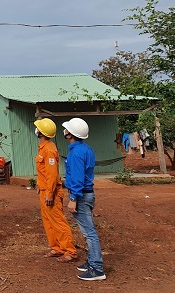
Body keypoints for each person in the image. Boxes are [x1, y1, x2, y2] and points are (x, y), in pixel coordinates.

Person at [62, 117, 107, 281]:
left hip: (81, 195)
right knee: (89, 231)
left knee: (89, 233)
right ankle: (92, 262)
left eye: (66, 129)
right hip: (88, 193)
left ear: (70, 134)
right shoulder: (86, 149)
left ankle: (97, 268)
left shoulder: (76, 153)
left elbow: (78, 178)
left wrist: (73, 197)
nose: (64, 131)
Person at [34, 118, 78, 263]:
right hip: (44, 189)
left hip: (50, 191)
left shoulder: (49, 150)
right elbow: (43, 172)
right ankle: (57, 248)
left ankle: (70, 251)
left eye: (37, 128)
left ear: (40, 132)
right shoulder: (43, 148)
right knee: (48, 221)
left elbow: (52, 174)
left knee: (58, 222)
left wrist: (49, 193)